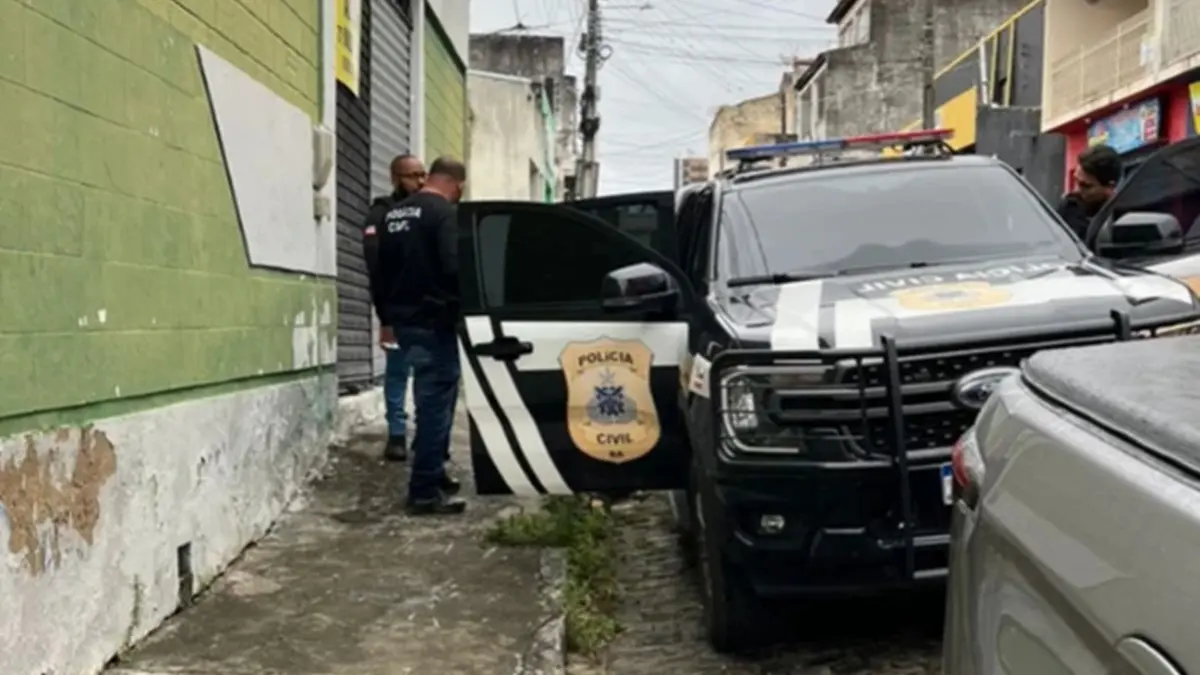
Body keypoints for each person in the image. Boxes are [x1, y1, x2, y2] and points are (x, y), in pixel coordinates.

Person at [369, 156, 468, 516]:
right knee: (435, 406)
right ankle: (424, 491)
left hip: (404, 320)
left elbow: (378, 269)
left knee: (433, 398)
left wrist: (386, 317)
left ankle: (435, 474)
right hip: (434, 321)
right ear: (456, 184)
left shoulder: (395, 214)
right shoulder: (443, 214)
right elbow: (453, 267)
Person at [364, 154, 427, 462]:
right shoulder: (382, 213)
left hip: (428, 311)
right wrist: (384, 317)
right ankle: (397, 435)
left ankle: (425, 435)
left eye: (422, 174)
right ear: (395, 178)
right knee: (398, 372)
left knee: (427, 375)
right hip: (397, 311)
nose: (419, 181)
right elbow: (376, 269)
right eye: (411, 175)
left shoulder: (428, 211)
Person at [1057, 144, 1122, 241]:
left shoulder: (1121, 216)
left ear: (1110, 186)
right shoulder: (1069, 207)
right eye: (1076, 180)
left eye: (1086, 186)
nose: (1077, 190)